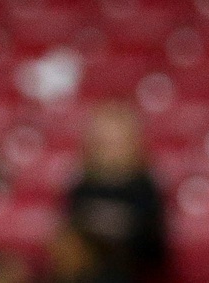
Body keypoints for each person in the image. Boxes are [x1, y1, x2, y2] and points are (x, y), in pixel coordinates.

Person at [63, 103, 167, 283]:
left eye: (117, 142)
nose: (111, 151)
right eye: (104, 142)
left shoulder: (145, 188)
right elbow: (69, 232)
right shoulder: (82, 186)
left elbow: (152, 248)